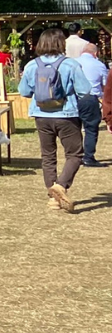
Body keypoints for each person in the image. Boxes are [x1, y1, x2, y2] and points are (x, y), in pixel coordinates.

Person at [17, 27, 92, 212]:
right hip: (66, 115)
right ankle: (60, 186)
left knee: (48, 156)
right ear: (61, 43)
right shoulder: (70, 64)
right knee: (75, 154)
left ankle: (53, 199)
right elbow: (85, 90)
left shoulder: (32, 65)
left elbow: (24, 91)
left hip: (41, 115)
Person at [67, 34, 107, 167]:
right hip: (90, 98)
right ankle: (88, 157)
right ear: (95, 53)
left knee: (74, 128)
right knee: (91, 128)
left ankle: (74, 156)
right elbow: (105, 85)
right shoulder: (99, 65)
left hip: (73, 98)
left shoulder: (72, 63)